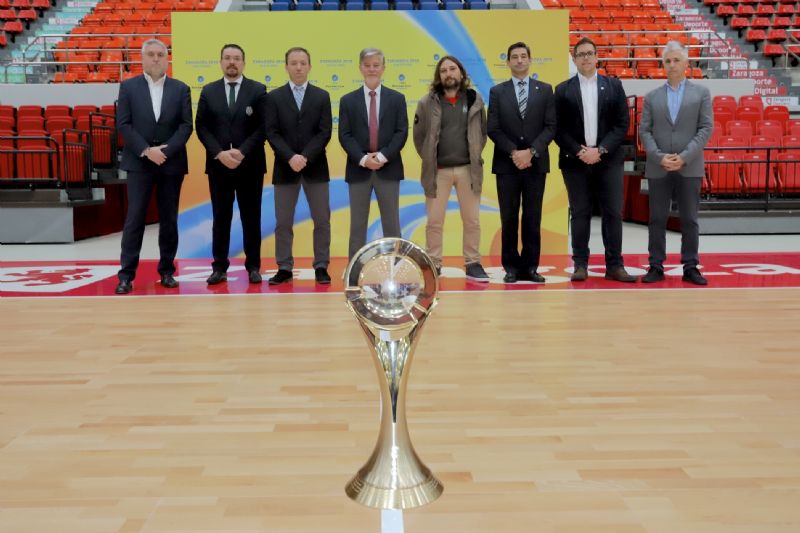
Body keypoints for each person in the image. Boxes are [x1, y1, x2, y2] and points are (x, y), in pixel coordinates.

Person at [554, 37, 636, 283]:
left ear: (597, 56)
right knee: (580, 213)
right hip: (574, 161)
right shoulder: (563, 89)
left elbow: (622, 124)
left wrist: (599, 150)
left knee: (613, 212)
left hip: (608, 160)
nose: (586, 58)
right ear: (575, 59)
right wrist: (580, 151)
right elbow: (557, 128)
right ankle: (580, 264)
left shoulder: (613, 86)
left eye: (590, 53)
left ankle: (615, 265)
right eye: (581, 54)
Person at [115, 39, 192, 294]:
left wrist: (164, 151)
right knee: (134, 218)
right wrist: (147, 151)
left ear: (167, 58)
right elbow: (124, 125)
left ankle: (167, 271)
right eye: (151, 54)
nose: (156, 58)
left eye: (161, 54)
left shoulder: (181, 89)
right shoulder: (128, 87)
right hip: (139, 163)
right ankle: (126, 275)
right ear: (142, 58)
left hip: (171, 163)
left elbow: (185, 126)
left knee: (169, 219)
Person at [639, 40, 713, 286]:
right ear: (663, 64)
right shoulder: (651, 97)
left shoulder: (701, 93)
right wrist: (660, 157)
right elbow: (645, 132)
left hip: (689, 166)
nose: (672, 65)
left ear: (686, 64)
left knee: (690, 219)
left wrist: (684, 157)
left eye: (676, 60)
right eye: (668, 61)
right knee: (656, 219)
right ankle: (656, 265)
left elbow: (705, 128)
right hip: (658, 167)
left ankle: (691, 266)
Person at [195, 43, 268, 286]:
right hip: (219, 166)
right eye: (227, 58)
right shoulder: (208, 91)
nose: (232, 62)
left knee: (251, 217)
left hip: (250, 166)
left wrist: (242, 152)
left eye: (236, 58)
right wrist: (219, 153)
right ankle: (219, 267)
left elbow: (263, 127)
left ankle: (253, 266)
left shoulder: (258, 90)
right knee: (221, 217)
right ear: (221, 62)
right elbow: (201, 127)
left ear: (243, 63)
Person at [413, 55, 489, 282]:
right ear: (439, 76)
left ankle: (473, 262)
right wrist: (429, 159)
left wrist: (473, 155)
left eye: (452, 69)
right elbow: (419, 137)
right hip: (438, 171)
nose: (448, 73)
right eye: (443, 70)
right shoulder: (427, 102)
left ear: (461, 74)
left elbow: (481, 134)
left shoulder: (475, 100)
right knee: (434, 221)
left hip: (468, 170)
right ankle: (433, 263)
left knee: (472, 220)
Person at [487, 42, 556, 283]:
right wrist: (515, 153)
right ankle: (511, 268)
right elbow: (492, 128)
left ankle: (530, 267)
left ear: (530, 60)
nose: (519, 60)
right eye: (514, 57)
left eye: (523, 56)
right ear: (507, 62)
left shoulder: (545, 90)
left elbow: (551, 126)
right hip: (507, 165)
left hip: (536, 165)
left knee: (532, 217)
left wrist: (532, 152)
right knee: (508, 217)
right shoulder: (497, 92)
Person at [265, 47, 333, 285]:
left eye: (303, 63)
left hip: (315, 168)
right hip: (285, 169)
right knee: (283, 222)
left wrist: (304, 156)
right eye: (293, 63)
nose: (298, 67)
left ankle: (321, 265)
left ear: (309, 66)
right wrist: (290, 157)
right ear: (286, 67)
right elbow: (271, 132)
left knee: (322, 220)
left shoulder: (322, 96)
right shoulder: (273, 97)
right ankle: (284, 267)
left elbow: (325, 132)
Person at [338, 47, 408, 259]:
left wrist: (382, 156)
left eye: (376, 65)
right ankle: (355, 269)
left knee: (392, 223)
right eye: (367, 65)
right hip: (359, 169)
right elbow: (345, 135)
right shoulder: (347, 100)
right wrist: (363, 159)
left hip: (389, 168)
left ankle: (396, 267)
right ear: (360, 68)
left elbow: (401, 132)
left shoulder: (397, 98)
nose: (372, 69)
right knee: (358, 224)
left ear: (383, 68)